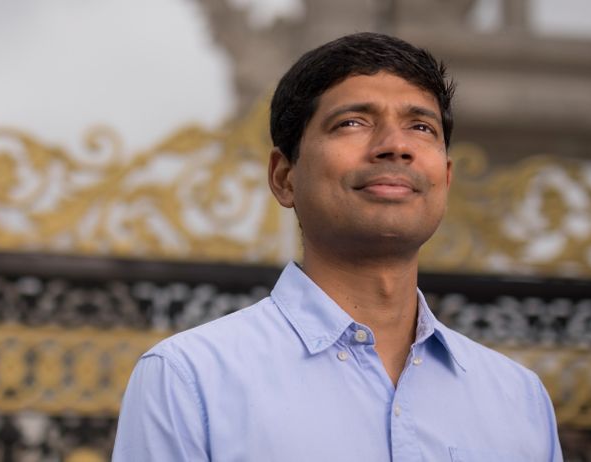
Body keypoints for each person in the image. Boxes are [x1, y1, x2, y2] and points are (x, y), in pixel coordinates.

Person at [113, 32, 563, 461]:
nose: (395, 147)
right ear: (284, 177)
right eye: (352, 122)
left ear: (445, 178)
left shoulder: (518, 400)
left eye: (420, 126)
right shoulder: (190, 380)